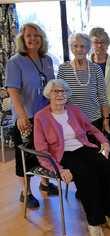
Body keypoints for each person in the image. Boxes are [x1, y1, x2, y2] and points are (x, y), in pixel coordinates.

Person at [34, 79, 110, 236]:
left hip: (83, 146)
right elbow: (41, 150)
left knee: (107, 165)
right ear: (48, 95)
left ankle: (109, 213)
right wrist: (59, 169)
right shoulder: (41, 117)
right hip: (62, 154)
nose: (60, 94)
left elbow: (92, 129)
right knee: (86, 174)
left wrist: (104, 143)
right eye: (56, 91)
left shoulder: (73, 110)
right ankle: (94, 221)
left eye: (63, 91)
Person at [5, 23, 57, 209]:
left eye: (36, 35)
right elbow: (13, 90)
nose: (33, 38)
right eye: (29, 35)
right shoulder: (15, 61)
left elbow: (51, 86)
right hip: (26, 117)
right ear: (22, 38)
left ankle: (45, 183)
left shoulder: (47, 60)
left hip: (46, 117)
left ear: (41, 38)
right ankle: (25, 192)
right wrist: (21, 116)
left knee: (45, 150)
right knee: (25, 155)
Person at [57, 33, 110, 133]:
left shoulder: (96, 69)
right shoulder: (63, 69)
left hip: (94, 121)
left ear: (88, 48)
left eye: (82, 46)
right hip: (71, 121)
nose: (79, 49)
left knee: (94, 148)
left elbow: (103, 97)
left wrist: (106, 120)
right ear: (71, 48)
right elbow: (59, 96)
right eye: (75, 46)